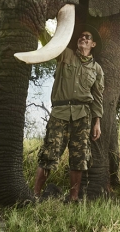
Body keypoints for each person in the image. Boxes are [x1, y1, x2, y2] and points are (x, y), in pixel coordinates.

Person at [34, 25, 104, 202]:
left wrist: (97, 122)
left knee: (79, 157)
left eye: (87, 37)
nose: (83, 38)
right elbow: (49, 43)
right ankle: (34, 194)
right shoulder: (65, 55)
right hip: (60, 113)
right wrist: (40, 28)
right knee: (49, 153)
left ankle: (73, 198)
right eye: (81, 36)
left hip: (83, 116)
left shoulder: (97, 69)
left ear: (93, 44)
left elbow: (97, 97)